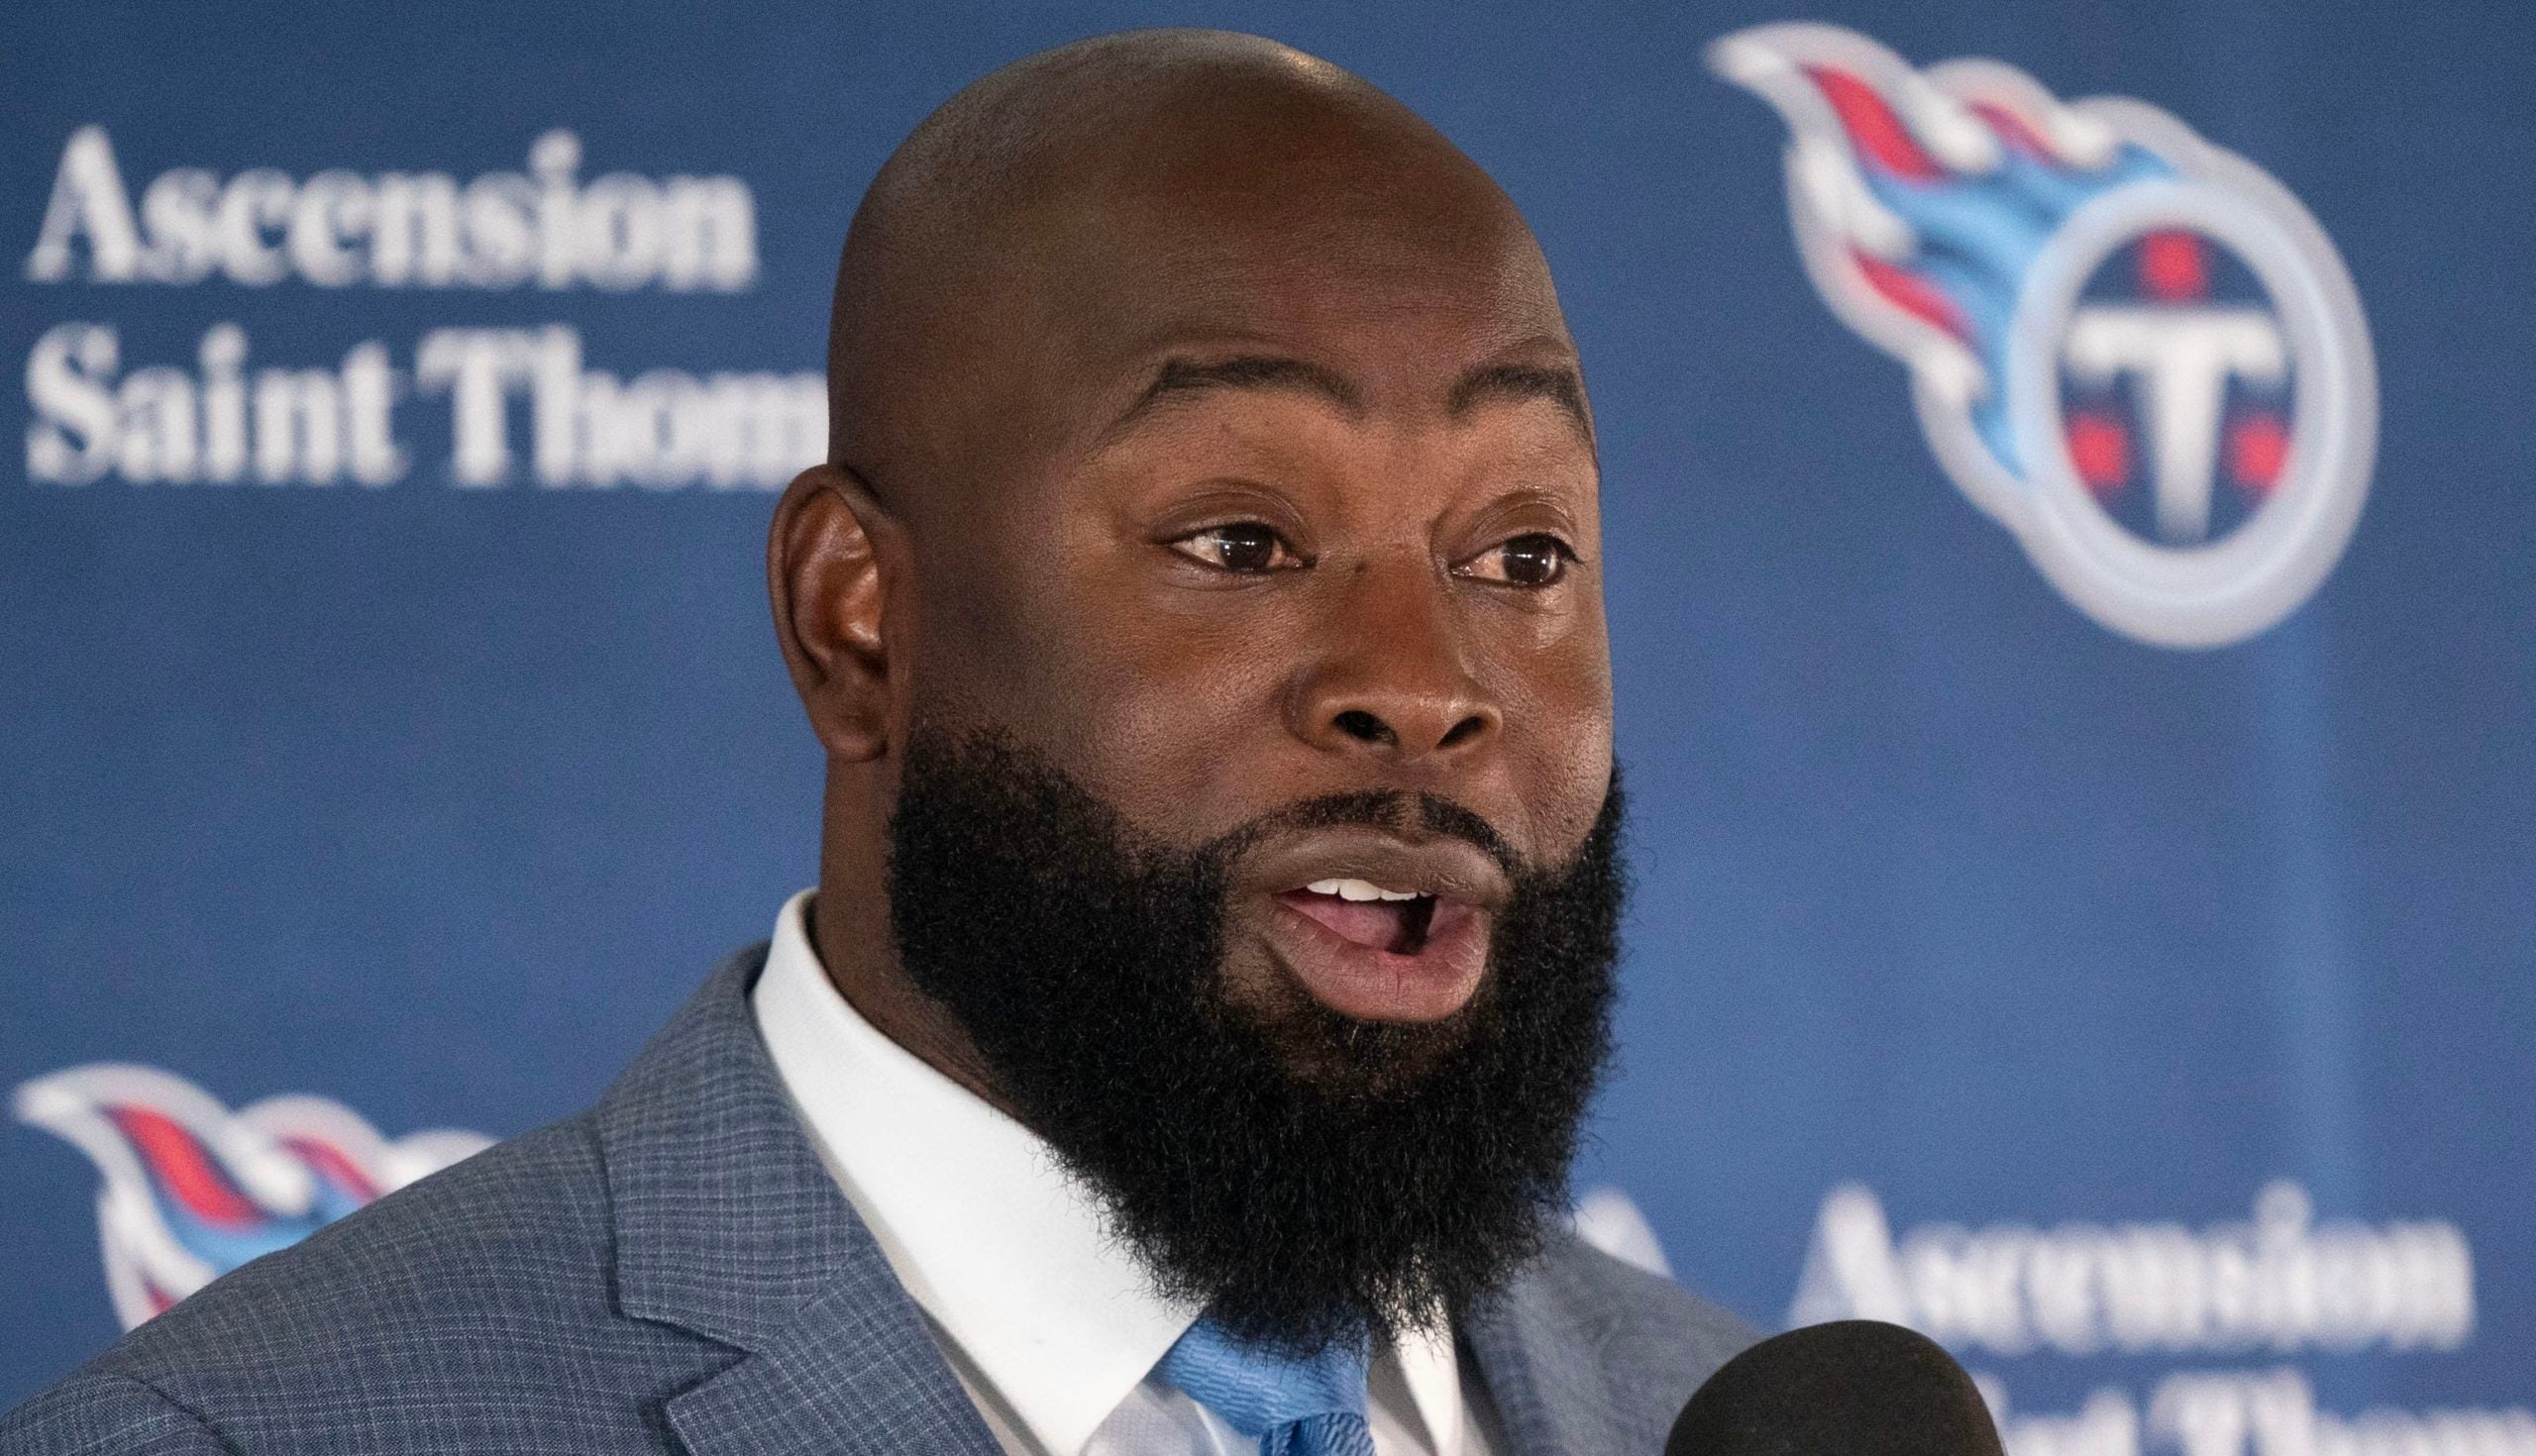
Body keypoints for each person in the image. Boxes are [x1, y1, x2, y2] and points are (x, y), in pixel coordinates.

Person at [0, 29, 1754, 1456]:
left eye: (1520, 555)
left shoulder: (1712, 1414)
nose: (1426, 680)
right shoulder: (247, 1435)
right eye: (1243, 542)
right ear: (859, 618)